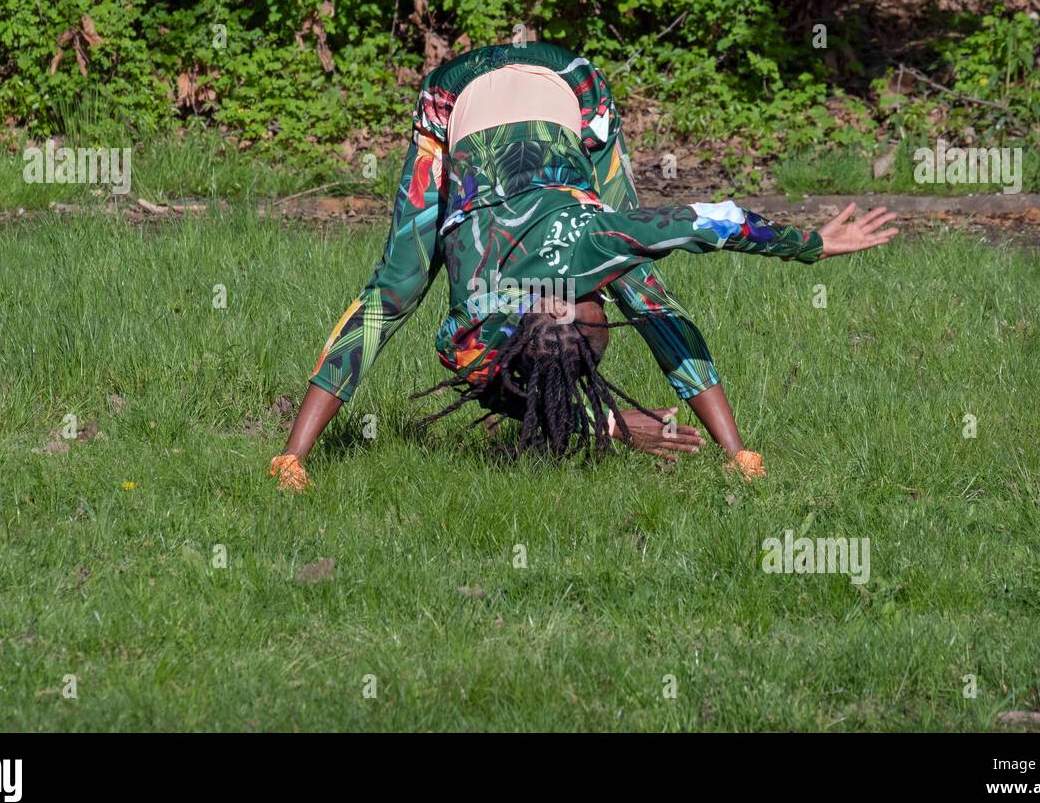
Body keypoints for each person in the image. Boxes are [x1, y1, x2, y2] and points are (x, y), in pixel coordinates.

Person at [270, 42, 897, 492]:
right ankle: (739, 454)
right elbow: (716, 221)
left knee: (397, 289)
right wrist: (616, 424)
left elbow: (714, 217)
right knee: (639, 284)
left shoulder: (518, 292)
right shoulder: (516, 291)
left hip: (504, 88)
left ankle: (292, 458)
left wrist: (812, 242)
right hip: (524, 86)